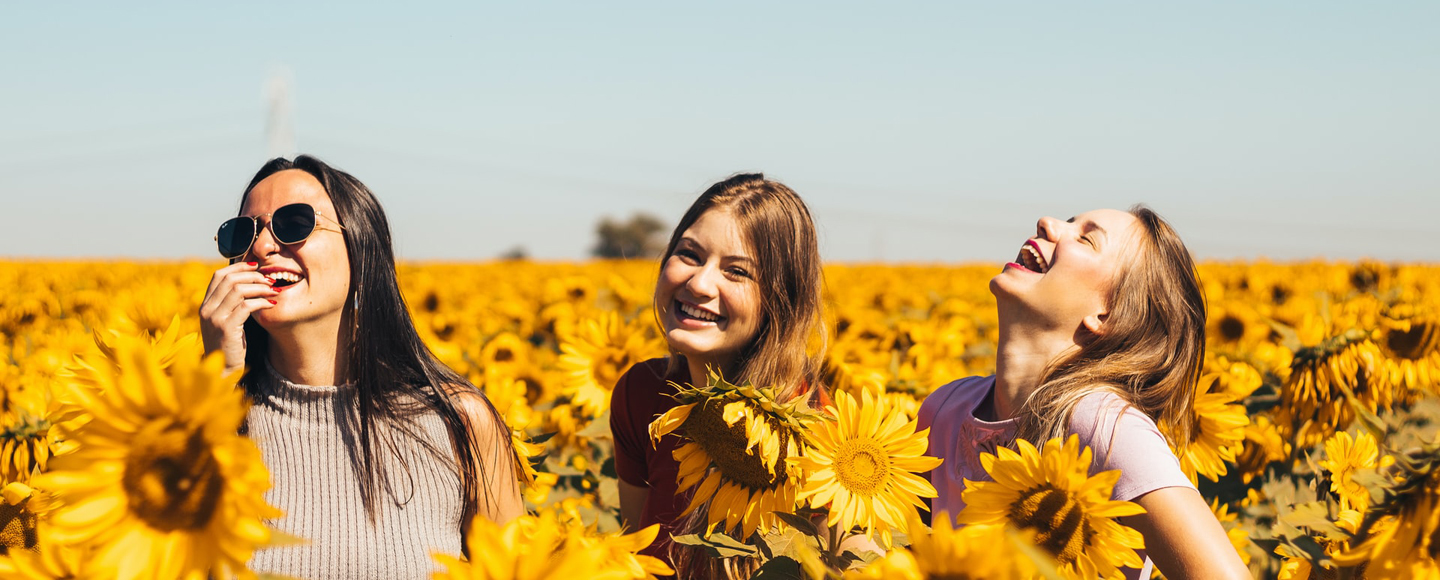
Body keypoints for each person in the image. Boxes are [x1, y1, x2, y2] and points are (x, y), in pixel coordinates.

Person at [199, 156, 522, 579]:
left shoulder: (459, 422)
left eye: (294, 223)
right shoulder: (196, 427)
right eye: (244, 232)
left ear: (362, 249)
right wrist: (213, 387)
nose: (261, 247)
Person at [917, 207, 1249, 579]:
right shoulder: (944, 410)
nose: (1047, 222)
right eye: (1068, 221)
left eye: (1086, 238)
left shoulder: (1107, 430)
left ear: (1107, 316)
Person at [609, 173, 829, 575]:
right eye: (689, 254)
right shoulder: (641, 395)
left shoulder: (818, 427)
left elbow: (846, 560)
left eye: (737, 272)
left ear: (780, 301)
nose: (700, 282)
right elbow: (635, 554)